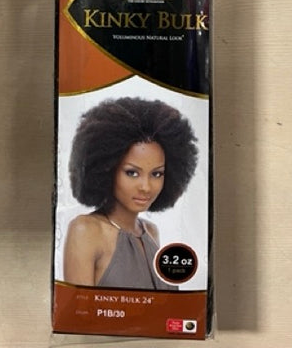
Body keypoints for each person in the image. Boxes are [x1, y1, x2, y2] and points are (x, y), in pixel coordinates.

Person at [63, 96, 198, 289]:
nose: (146, 187)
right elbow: (78, 306)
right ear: (107, 169)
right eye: (132, 173)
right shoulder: (86, 230)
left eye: (156, 174)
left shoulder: (151, 232)